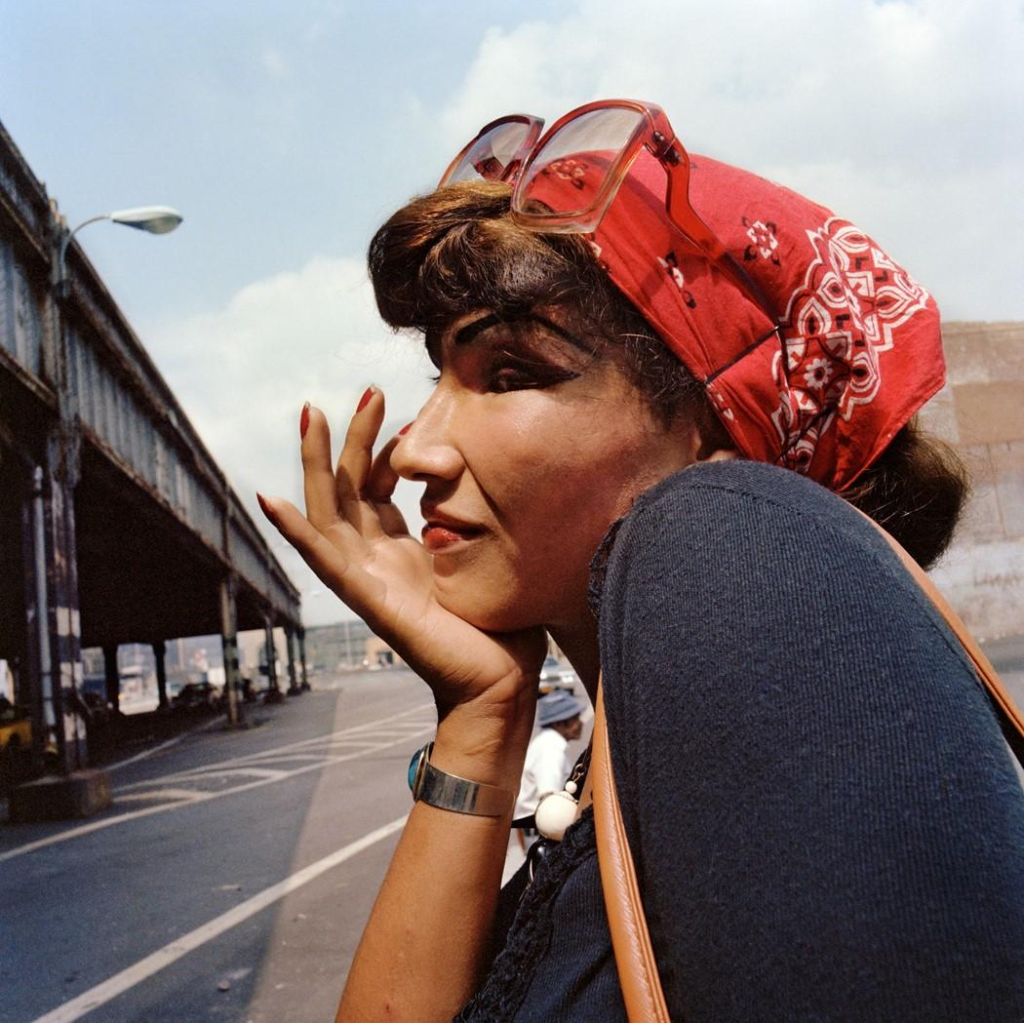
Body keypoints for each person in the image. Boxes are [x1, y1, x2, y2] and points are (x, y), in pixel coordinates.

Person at [258, 100, 1024, 1021]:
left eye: (510, 374)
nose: (416, 449)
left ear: (720, 430)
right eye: (440, 377)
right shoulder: (623, 760)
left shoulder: (730, 535)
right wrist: (479, 716)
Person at [503, 691, 585, 883]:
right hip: (542, 830)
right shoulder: (551, 749)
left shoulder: (547, 743)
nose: (580, 723)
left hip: (536, 828)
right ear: (559, 723)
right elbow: (548, 798)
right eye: (574, 719)